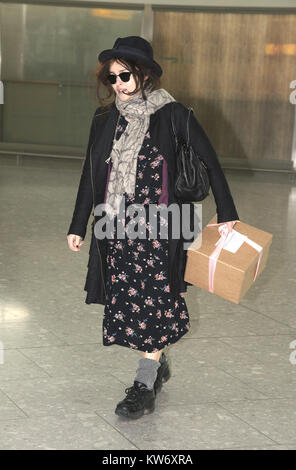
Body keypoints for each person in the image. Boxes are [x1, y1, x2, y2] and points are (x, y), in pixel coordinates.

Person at [67, 36, 239, 420]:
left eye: (125, 75)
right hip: (117, 226)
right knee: (129, 300)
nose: (119, 84)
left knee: (157, 300)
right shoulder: (104, 119)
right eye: (111, 78)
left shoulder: (174, 114)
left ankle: (143, 384)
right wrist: (78, 224)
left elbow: (211, 163)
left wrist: (227, 213)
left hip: (163, 227)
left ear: (143, 73)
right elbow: (90, 174)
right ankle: (156, 364)